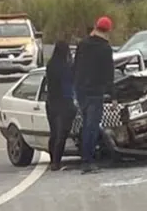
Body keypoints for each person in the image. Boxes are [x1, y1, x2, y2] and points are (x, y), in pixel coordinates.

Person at [73, 16, 115, 174]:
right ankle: (87, 161)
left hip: (81, 91)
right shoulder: (105, 48)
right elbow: (109, 74)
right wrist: (114, 95)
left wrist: (75, 88)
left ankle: (91, 156)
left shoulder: (82, 45)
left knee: (88, 125)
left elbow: (75, 66)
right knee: (91, 126)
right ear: (108, 31)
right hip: (95, 92)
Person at [44, 40, 75, 171]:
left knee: (54, 133)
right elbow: (68, 85)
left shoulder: (50, 65)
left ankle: (53, 160)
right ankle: (57, 161)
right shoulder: (66, 67)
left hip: (51, 102)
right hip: (64, 102)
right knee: (62, 133)